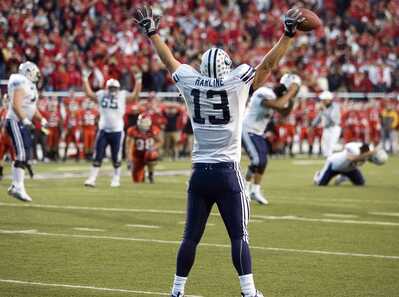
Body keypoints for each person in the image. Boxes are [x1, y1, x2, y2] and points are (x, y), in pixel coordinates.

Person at [134, 6, 304, 297]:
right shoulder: (237, 81)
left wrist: (152, 33)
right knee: (239, 236)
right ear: (227, 66)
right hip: (227, 173)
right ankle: (249, 292)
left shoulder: (189, 80)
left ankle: (177, 290)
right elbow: (267, 66)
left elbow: (168, 60)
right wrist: (287, 35)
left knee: (190, 238)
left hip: (199, 173)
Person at [242, 73, 301, 205]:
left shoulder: (275, 97)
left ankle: (255, 190)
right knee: (257, 160)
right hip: (246, 130)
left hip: (257, 132)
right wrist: (292, 92)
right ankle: (244, 187)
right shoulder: (264, 92)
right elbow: (279, 105)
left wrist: (291, 100)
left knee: (262, 161)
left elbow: (284, 112)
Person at [83, 70, 142, 187]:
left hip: (117, 131)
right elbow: (89, 94)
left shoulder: (122, 95)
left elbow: (135, 96)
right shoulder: (101, 95)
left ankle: (116, 178)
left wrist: (138, 81)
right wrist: (85, 79)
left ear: (118, 88)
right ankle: (92, 179)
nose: (112, 90)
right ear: (107, 87)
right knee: (98, 155)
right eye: (111, 87)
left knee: (116, 156)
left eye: (114, 88)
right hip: (103, 130)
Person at [5, 61, 48, 201]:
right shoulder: (20, 81)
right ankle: (17, 187)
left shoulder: (31, 86)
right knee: (22, 153)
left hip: (22, 122)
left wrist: (41, 119)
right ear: (28, 71)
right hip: (15, 121)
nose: (37, 75)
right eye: (34, 72)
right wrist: (24, 119)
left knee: (26, 154)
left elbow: (31, 109)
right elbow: (16, 105)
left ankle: (16, 187)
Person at [126, 113, 161, 183]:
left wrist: (153, 148)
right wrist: (129, 160)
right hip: (137, 156)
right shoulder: (133, 130)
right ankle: (141, 172)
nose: (143, 124)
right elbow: (129, 147)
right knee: (137, 180)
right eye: (142, 122)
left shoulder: (153, 129)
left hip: (148, 153)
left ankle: (151, 174)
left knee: (152, 154)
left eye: (145, 122)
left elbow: (160, 141)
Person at [311, 90, 341, 157]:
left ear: (329, 99)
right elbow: (319, 117)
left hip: (334, 128)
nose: (322, 101)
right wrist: (312, 125)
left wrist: (324, 109)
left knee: (331, 147)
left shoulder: (335, 107)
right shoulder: (324, 107)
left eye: (324, 100)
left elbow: (332, 118)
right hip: (326, 129)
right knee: (325, 149)